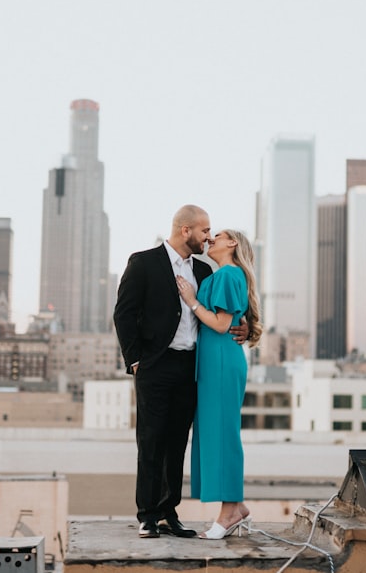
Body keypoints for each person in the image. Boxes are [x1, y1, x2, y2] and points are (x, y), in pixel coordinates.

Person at [113, 205, 247, 539]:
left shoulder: (204, 271)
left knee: (176, 443)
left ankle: (168, 513)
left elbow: (225, 311)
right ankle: (147, 515)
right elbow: (124, 314)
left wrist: (243, 325)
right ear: (185, 230)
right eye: (204, 231)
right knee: (151, 440)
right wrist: (135, 359)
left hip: (192, 367)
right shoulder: (143, 262)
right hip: (155, 365)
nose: (208, 237)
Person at [176, 228, 262, 539]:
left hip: (222, 362)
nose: (211, 238)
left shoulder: (228, 275)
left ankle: (228, 515)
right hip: (213, 362)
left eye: (219, 234)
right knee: (215, 432)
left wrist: (190, 300)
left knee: (223, 434)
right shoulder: (219, 275)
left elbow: (222, 324)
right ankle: (237, 508)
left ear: (232, 243)